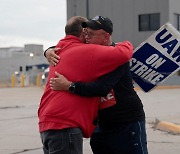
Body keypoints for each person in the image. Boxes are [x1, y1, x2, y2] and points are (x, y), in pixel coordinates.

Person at [48, 16, 148, 154]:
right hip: (100, 126)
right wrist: (48, 51)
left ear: (106, 36)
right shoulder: (87, 53)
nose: (87, 37)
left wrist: (70, 86)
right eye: (86, 33)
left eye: (91, 34)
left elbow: (102, 88)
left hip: (126, 122)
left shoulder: (116, 56)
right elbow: (68, 46)